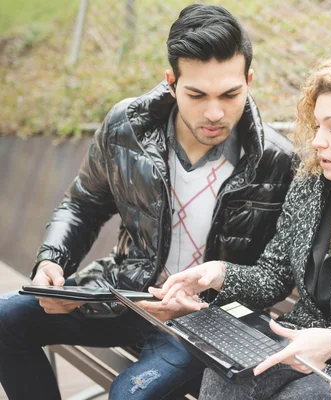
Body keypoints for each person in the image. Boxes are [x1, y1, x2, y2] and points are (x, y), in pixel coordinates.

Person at [0, 4, 295, 400]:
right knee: (5, 321)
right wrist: (53, 261)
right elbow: (83, 205)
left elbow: (278, 274)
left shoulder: (276, 161)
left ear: (249, 80)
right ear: (171, 83)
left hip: (205, 321)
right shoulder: (128, 127)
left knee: (129, 394)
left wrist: (208, 296)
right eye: (196, 94)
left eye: (230, 94)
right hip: (125, 294)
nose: (214, 112)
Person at [156, 53, 331, 400]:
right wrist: (217, 274)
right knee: (226, 376)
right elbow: (274, 274)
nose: (318, 142)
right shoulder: (311, 183)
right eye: (317, 127)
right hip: (293, 337)